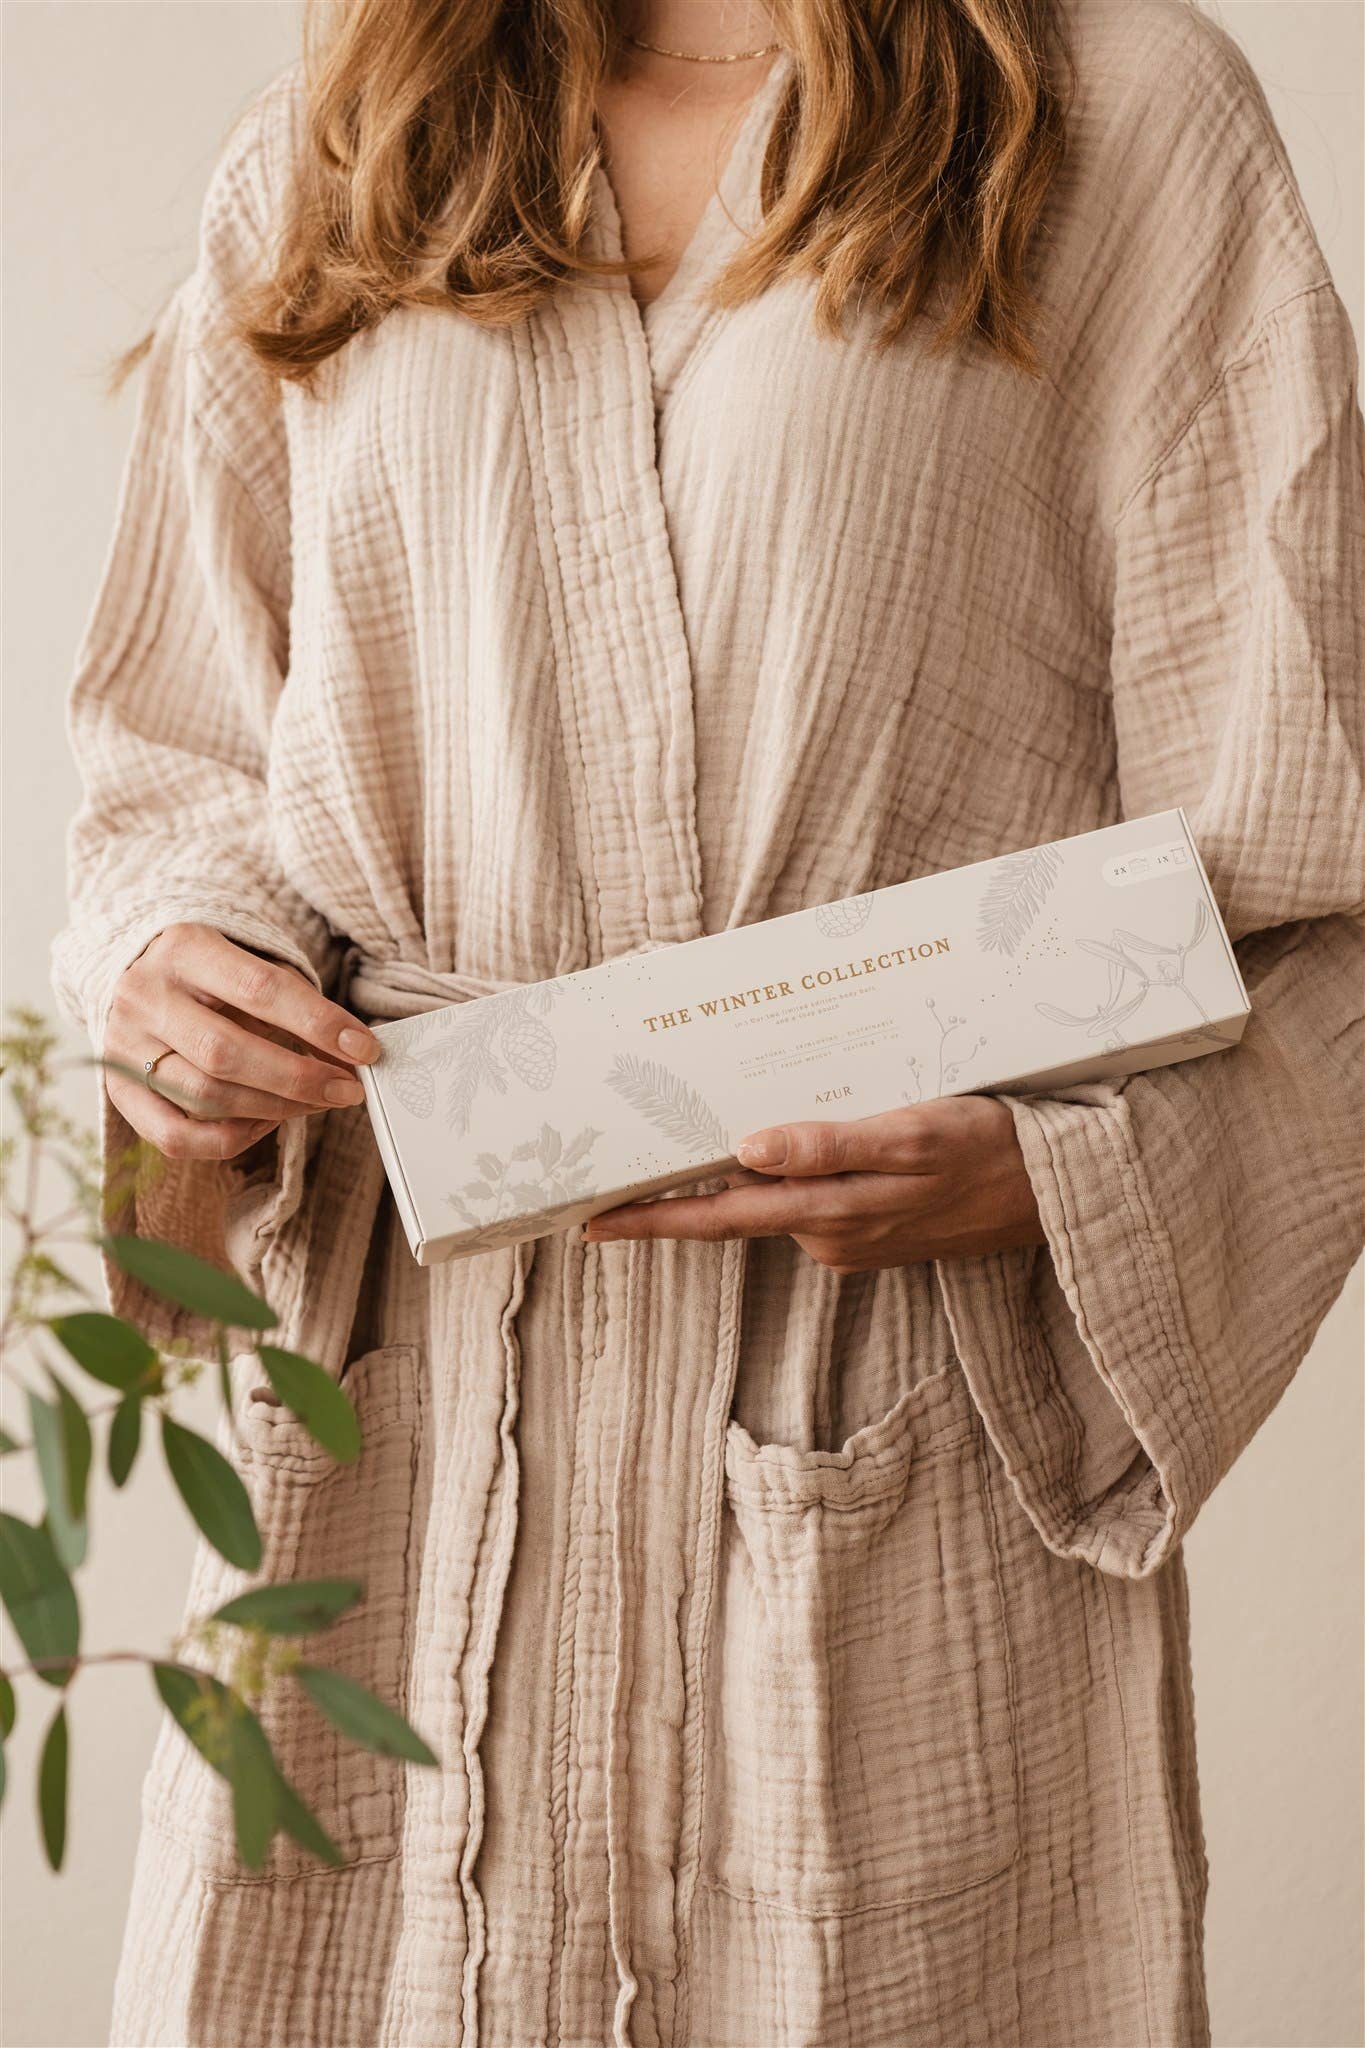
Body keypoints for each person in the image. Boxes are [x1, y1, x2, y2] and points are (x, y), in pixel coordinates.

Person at [51, 0, 1364, 2040]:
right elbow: (179, 764)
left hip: (880, 1412)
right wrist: (186, 977)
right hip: (407, 1419)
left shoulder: (1110, 116)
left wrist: (1054, 1175)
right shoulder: (348, 135)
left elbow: (1316, 869)